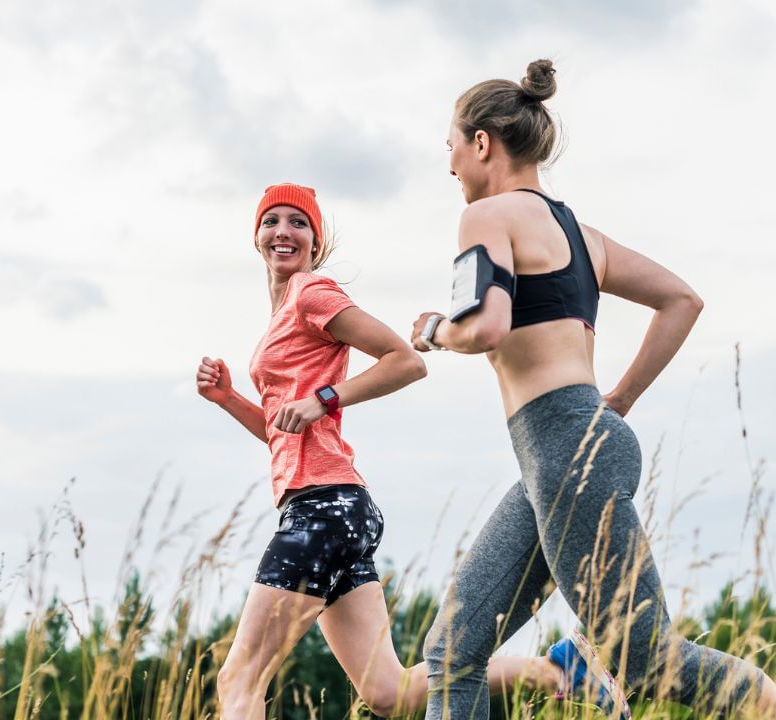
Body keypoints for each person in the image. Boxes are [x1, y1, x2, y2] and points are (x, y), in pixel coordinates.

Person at [409, 62, 776, 719]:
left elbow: (485, 326)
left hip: (566, 455)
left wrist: (433, 329)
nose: (450, 164)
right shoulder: (580, 235)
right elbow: (681, 300)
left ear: (482, 143)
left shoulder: (487, 215)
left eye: (451, 146)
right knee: (453, 653)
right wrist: (616, 403)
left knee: (646, 661)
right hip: (564, 454)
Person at [199, 184, 594, 719]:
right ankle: (560, 671)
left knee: (239, 676)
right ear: (257, 237)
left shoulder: (313, 294)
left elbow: (404, 360)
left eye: (298, 223)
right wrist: (227, 399)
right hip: (332, 509)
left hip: (325, 510)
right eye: (272, 222)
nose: (283, 232)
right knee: (387, 693)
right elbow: (280, 433)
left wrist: (326, 399)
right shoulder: (280, 317)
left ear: (315, 242)